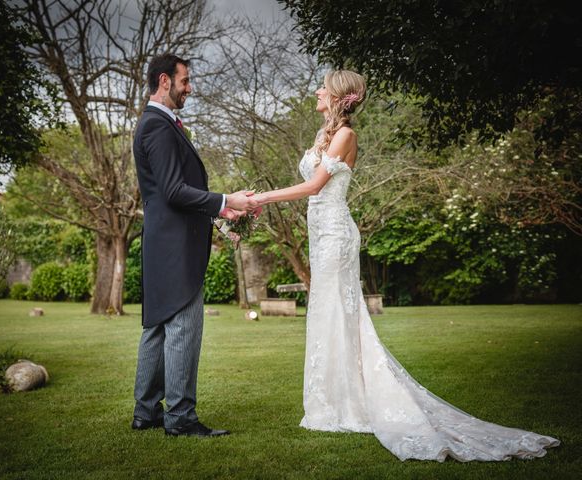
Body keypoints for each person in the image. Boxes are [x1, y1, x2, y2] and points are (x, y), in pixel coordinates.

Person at [251, 70, 560, 461]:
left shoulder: (347, 135)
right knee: (325, 312)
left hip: (335, 233)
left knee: (338, 312)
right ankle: (329, 402)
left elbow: (314, 187)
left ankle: (348, 404)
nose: (316, 91)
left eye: (323, 87)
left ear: (338, 97)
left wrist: (259, 199)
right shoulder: (322, 136)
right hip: (320, 233)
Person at [132, 53, 258, 437]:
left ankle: (147, 412)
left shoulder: (156, 124)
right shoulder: (157, 126)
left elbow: (173, 191)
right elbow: (173, 191)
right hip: (174, 247)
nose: (190, 87)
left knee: (156, 327)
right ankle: (181, 419)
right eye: (185, 80)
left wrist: (221, 213)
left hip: (163, 242)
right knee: (183, 326)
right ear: (164, 81)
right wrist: (225, 202)